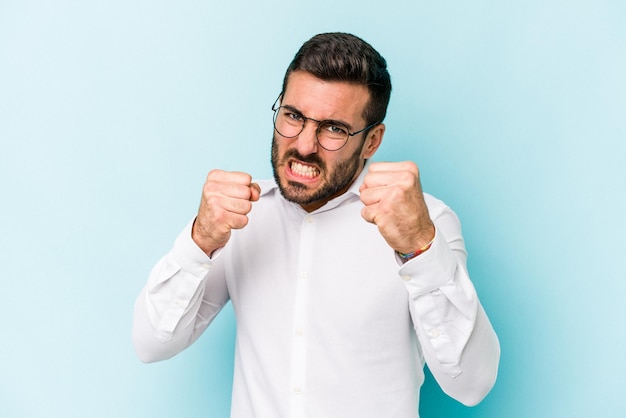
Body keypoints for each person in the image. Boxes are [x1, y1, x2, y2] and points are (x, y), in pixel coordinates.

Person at [132, 32, 500, 418]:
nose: (305, 144)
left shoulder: (426, 223)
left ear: (372, 141)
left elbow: (472, 384)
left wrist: (419, 249)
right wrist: (200, 239)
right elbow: (151, 343)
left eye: (334, 129)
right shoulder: (241, 217)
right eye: (293, 116)